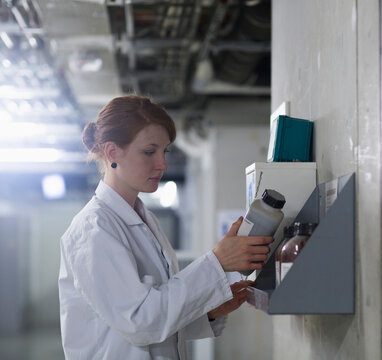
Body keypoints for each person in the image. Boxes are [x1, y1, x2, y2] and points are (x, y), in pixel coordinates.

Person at [58, 95, 272, 360]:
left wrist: (208, 311)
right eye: (150, 152)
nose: (163, 164)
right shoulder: (92, 231)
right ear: (112, 152)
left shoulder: (144, 219)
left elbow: (158, 317)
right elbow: (141, 322)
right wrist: (217, 262)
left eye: (164, 151)